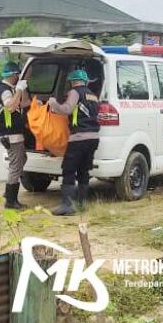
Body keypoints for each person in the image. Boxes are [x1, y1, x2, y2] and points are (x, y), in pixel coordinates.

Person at [47, 69, 100, 216]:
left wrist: (53, 103)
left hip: (78, 138)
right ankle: (81, 204)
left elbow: (67, 109)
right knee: (84, 171)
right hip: (93, 138)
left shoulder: (75, 92)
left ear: (72, 81)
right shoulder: (93, 95)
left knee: (69, 171)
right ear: (86, 81)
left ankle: (67, 206)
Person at [0, 61, 30, 209]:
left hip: (15, 133)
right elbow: (10, 107)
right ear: (13, 75)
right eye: (17, 75)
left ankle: (8, 193)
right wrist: (19, 90)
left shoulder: (11, 89)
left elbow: (24, 104)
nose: (18, 78)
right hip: (11, 134)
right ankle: (10, 200)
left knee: (21, 160)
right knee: (16, 166)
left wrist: (23, 91)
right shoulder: (5, 90)